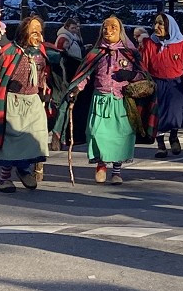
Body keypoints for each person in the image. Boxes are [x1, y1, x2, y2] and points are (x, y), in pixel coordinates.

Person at [60, 17, 155, 185]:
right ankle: (101, 164)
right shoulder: (96, 52)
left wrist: (131, 75)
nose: (108, 30)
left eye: (113, 27)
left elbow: (144, 75)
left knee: (122, 135)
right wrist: (76, 89)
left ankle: (116, 170)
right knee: (96, 133)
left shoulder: (130, 52)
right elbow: (86, 74)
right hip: (100, 99)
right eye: (105, 28)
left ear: (120, 31)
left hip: (122, 101)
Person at [0, 16, 52, 193]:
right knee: (12, 140)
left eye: (39, 29)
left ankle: (24, 169)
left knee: (35, 138)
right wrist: (9, 84)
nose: (36, 33)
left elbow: (44, 72)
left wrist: (44, 88)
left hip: (33, 101)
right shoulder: (9, 51)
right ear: (24, 31)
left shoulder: (40, 51)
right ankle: (5, 178)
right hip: (13, 101)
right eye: (33, 29)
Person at [141, 13, 183, 159]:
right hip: (156, 83)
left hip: (176, 84)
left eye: (160, 24)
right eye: (155, 23)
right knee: (158, 115)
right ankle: (161, 145)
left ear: (169, 26)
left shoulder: (181, 43)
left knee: (175, 114)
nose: (156, 27)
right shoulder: (150, 43)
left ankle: (173, 136)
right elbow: (144, 65)